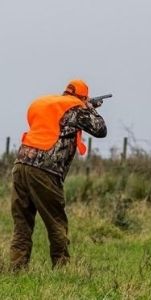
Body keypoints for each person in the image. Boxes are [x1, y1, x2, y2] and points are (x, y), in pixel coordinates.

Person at [10, 79, 107, 270]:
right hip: (44, 170)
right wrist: (90, 108)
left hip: (21, 163)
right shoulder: (75, 108)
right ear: (83, 97)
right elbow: (100, 129)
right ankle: (62, 268)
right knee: (56, 220)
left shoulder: (50, 104)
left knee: (22, 221)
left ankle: (17, 268)